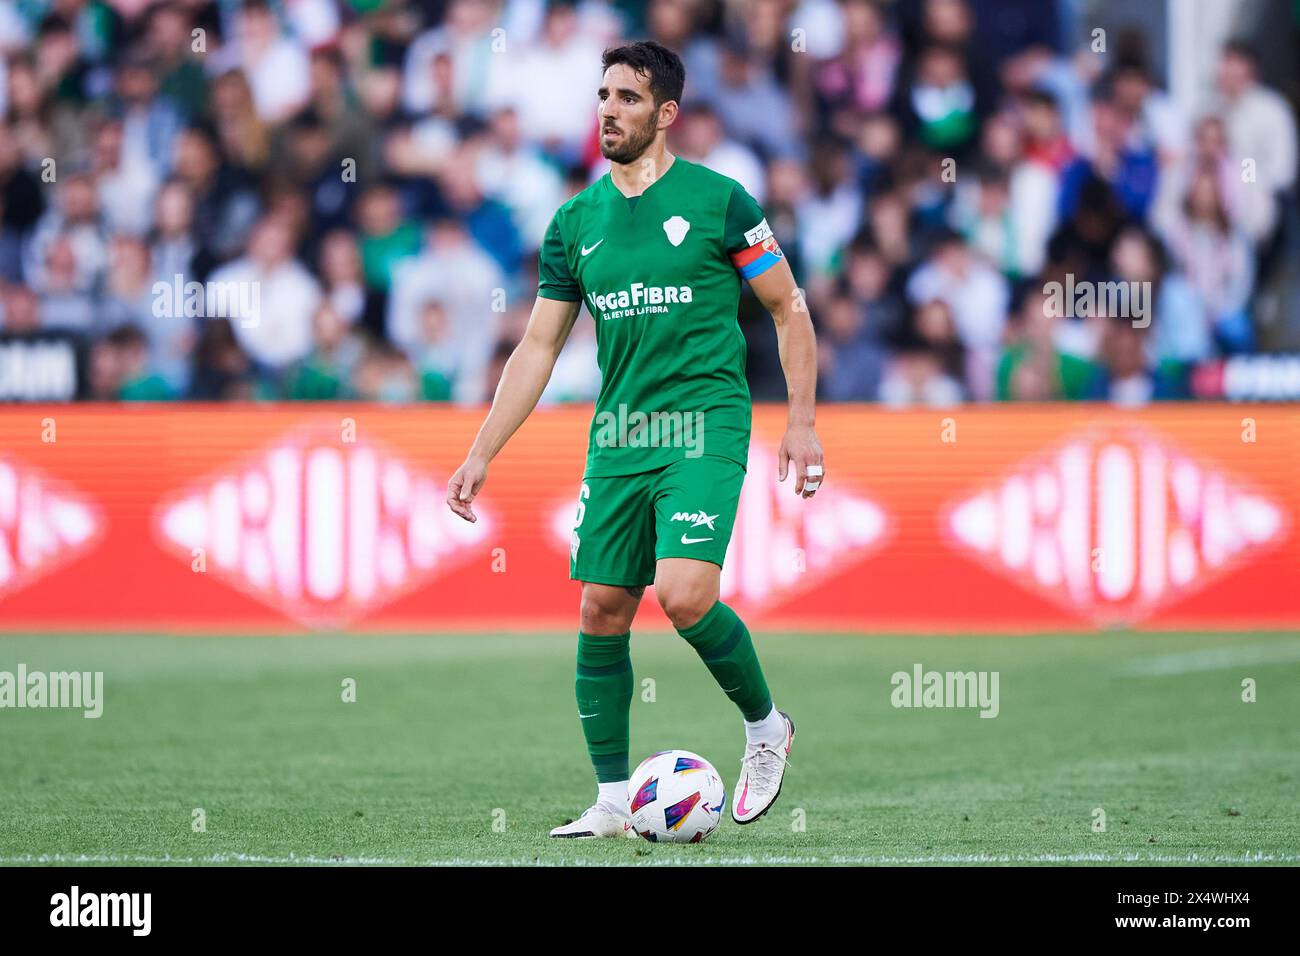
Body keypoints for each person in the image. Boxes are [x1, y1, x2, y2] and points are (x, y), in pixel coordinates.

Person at [445, 41, 824, 838]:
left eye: (626, 97)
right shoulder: (574, 222)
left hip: (706, 422)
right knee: (601, 610)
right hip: (620, 432)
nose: (609, 110)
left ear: (666, 114)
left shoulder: (723, 202)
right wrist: (482, 450)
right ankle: (614, 802)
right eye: (603, 95)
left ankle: (765, 727)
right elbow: (539, 347)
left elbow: (789, 308)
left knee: (684, 594)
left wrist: (800, 421)